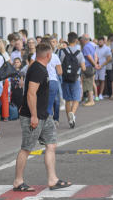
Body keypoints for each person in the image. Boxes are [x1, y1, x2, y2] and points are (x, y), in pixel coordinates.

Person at [12, 42, 70, 192]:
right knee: (26, 148)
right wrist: (33, 116)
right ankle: (18, 181)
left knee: (51, 144)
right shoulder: (38, 70)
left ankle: (53, 179)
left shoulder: (38, 68)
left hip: (44, 114)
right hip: (34, 116)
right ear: (49, 55)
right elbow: (31, 93)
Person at [59, 32, 85, 128]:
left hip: (65, 78)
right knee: (76, 98)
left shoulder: (62, 52)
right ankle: (72, 114)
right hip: (75, 78)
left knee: (67, 100)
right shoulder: (79, 53)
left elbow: (59, 64)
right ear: (76, 40)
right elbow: (83, 67)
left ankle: (70, 120)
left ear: (68, 40)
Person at [79, 35, 98, 106]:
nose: (80, 41)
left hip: (87, 67)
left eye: (81, 40)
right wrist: (95, 64)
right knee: (89, 83)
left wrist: (94, 65)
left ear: (84, 40)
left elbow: (88, 57)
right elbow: (95, 55)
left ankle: (91, 100)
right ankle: (90, 100)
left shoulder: (86, 47)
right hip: (91, 66)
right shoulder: (91, 45)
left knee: (88, 83)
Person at [95, 37, 112, 101]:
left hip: (103, 67)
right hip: (95, 66)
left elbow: (109, 58)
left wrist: (102, 65)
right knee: (95, 80)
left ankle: (101, 94)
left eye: (101, 42)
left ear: (103, 42)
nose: (100, 43)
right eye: (99, 42)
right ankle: (96, 94)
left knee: (102, 80)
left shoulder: (107, 48)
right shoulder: (95, 47)